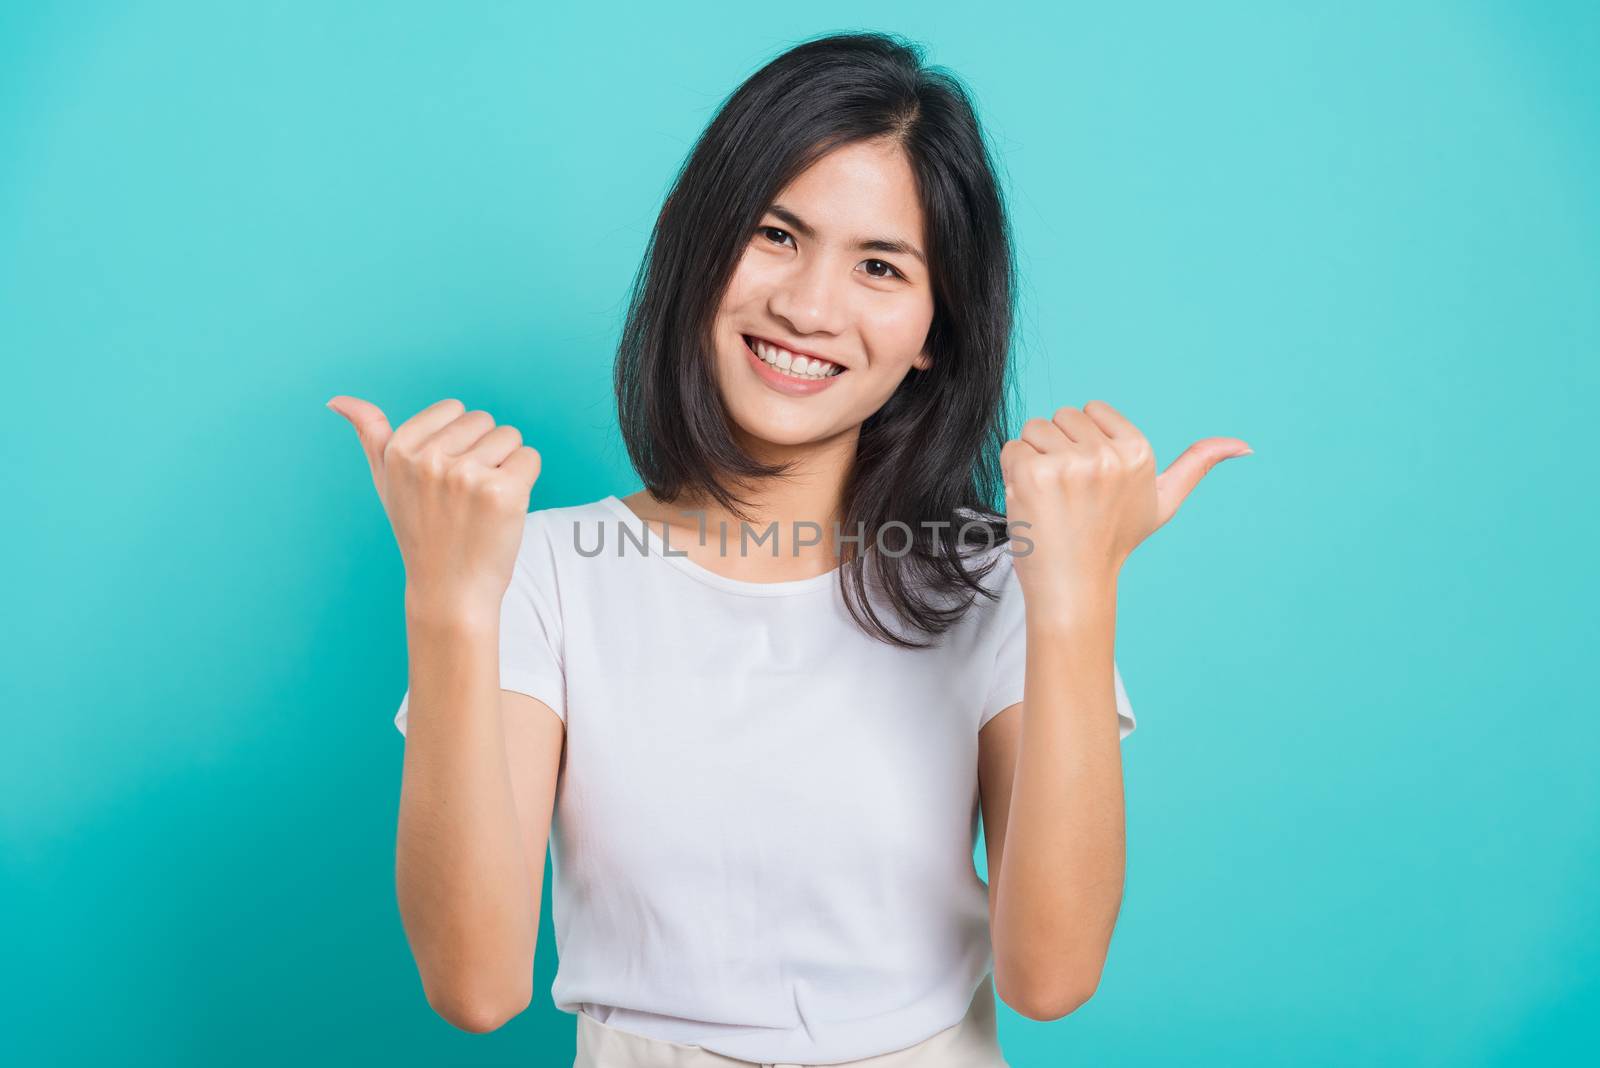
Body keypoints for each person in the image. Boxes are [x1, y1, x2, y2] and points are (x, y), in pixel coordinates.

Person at [328, 30, 1249, 1068]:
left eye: (880, 266)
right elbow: (474, 987)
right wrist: (449, 600)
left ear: (933, 329)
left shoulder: (999, 578)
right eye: (774, 234)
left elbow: (1052, 975)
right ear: (700, 245)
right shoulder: (544, 570)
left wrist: (1075, 594)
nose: (809, 308)